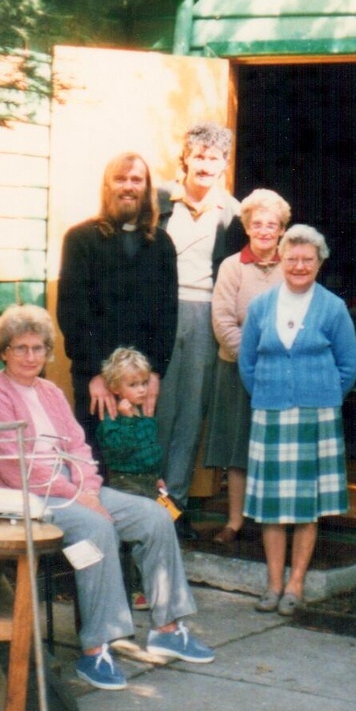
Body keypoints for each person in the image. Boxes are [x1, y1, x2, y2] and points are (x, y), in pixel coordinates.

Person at [0, 305, 213, 692]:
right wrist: (80, 495)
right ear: (3, 352)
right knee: (96, 529)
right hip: (22, 498)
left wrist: (91, 488)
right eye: (21, 348)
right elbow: (20, 469)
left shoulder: (49, 391)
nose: (31, 357)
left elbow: (79, 446)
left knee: (155, 517)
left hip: (72, 489)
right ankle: (95, 648)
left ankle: (167, 628)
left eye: (38, 348)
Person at [239, 225, 356, 616]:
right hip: (271, 413)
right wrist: (270, 393)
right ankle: (273, 585)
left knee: (306, 506)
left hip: (316, 416)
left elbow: (349, 365)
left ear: (320, 263)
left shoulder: (332, 307)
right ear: (280, 261)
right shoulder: (260, 306)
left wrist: (322, 396)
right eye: (292, 258)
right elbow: (247, 364)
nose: (299, 266)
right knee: (272, 508)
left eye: (308, 259)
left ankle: (296, 584)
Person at [57, 151, 177, 458]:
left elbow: (167, 314)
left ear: (146, 188)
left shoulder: (161, 245)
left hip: (141, 381)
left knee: (137, 459)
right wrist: (95, 374)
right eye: (120, 179)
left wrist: (154, 374)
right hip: (95, 376)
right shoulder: (80, 239)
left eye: (136, 180)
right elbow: (72, 314)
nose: (128, 186)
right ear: (107, 186)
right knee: (96, 458)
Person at [156, 122, 245, 533]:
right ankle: (145, 502)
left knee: (191, 412)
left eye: (215, 158)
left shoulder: (234, 211)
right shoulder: (157, 202)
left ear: (224, 164)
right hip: (162, 310)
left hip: (206, 312)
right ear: (185, 159)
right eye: (200, 156)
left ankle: (174, 506)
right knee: (157, 407)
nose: (206, 165)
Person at [204, 188, 292, 545]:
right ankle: (235, 522)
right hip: (238, 369)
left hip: (282, 373)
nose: (265, 230)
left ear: (283, 229)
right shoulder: (231, 266)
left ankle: (273, 521)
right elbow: (223, 320)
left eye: (272, 224)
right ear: (247, 227)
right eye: (257, 224)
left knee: (277, 447)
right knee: (239, 449)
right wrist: (252, 362)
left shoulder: (293, 265)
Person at [96, 347, 165, 499]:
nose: (141, 390)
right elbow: (119, 451)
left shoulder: (146, 415)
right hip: (126, 484)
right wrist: (127, 420)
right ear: (115, 388)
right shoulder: (112, 420)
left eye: (144, 383)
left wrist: (157, 477)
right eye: (133, 385)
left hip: (149, 482)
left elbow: (152, 451)